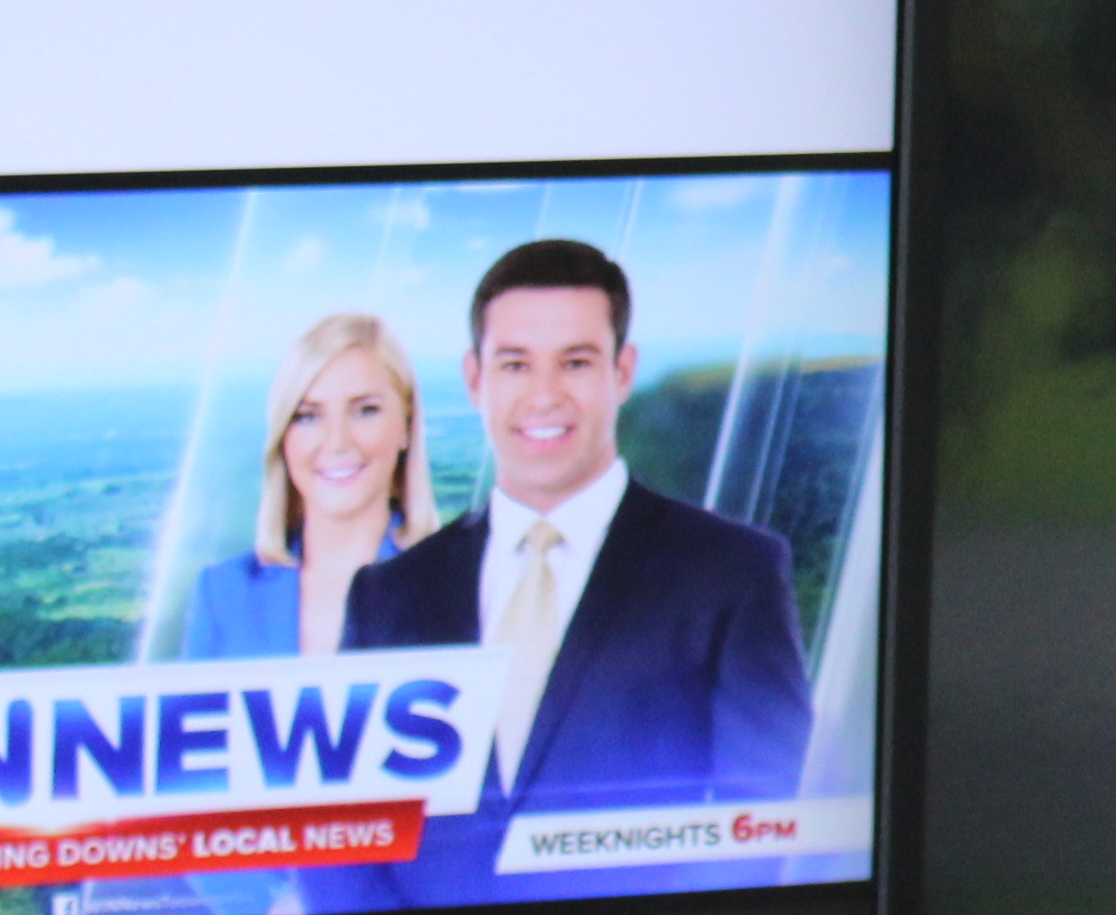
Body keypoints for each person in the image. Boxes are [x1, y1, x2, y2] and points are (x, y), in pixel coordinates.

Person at [345, 236, 813, 843]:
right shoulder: (385, 598)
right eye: (515, 364)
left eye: (575, 362)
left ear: (622, 372)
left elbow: (762, 821)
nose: (544, 395)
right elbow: (352, 836)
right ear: (474, 378)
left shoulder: (733, 573)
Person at [184, 312, 439, 660]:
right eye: (308, 416)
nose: (336, 442)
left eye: (365, 410)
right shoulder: (223, 595)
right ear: (283, 437)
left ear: (406, 425)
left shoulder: (458, 585)